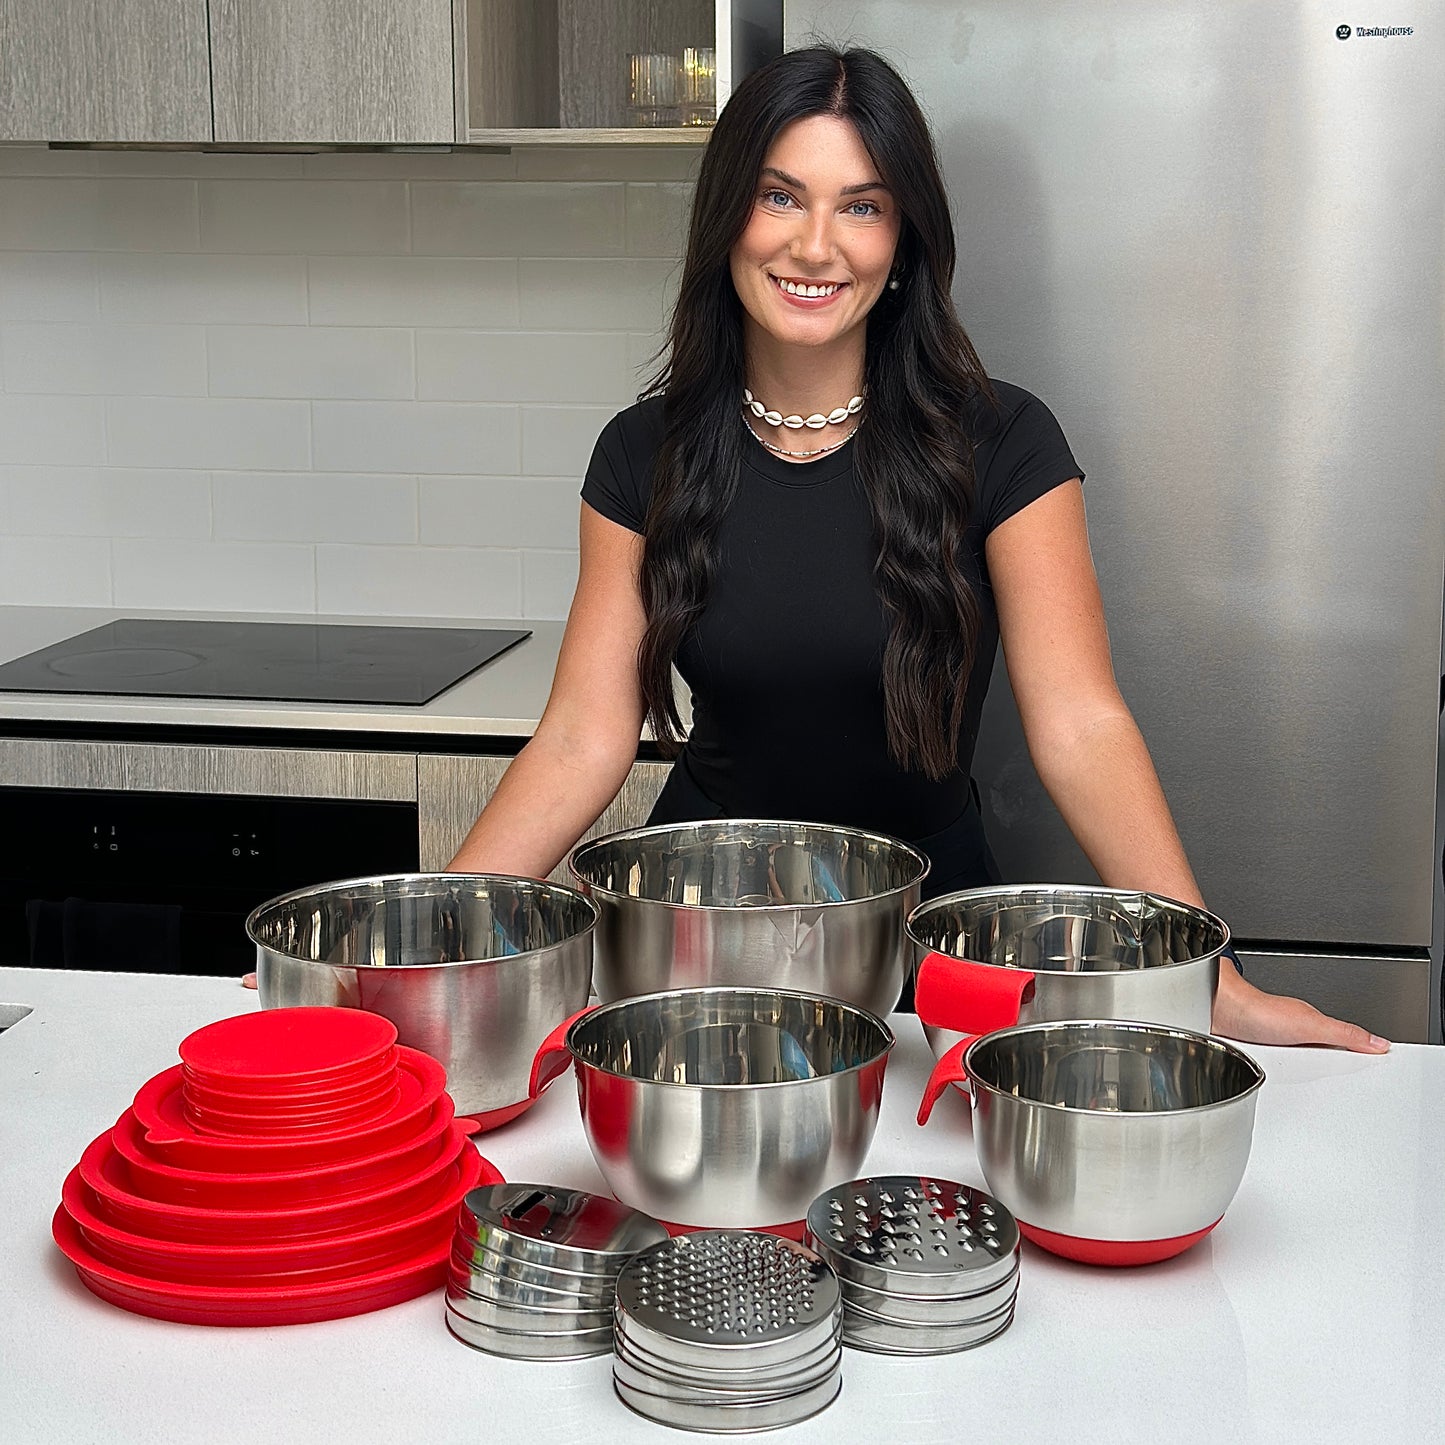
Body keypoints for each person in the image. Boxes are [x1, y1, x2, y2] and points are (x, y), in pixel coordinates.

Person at [445, 45, 1387, 1054]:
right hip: (701, 939)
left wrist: (1205, 977)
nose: (816, 245)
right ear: (726, 218)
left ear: (901, 241)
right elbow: (585, 735)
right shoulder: (641, 454)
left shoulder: (1005, 443)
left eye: (860, 205)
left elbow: (1077, 722)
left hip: (935, 953)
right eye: (779, 198)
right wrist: (438, 941)